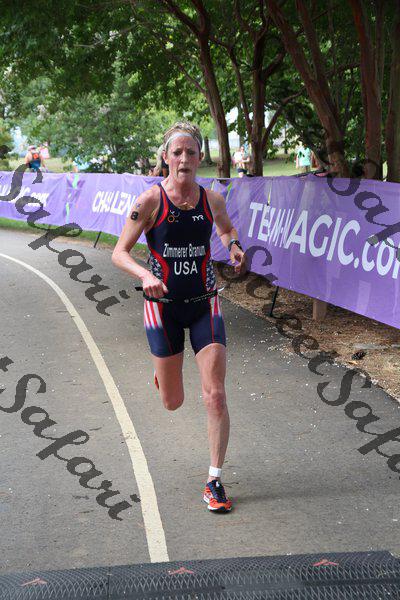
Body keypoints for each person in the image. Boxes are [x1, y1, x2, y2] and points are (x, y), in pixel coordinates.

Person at [112, 121, 246, 513]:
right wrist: (145, 276)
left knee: (215, 394)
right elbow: (119, 252)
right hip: (163, 309)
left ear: (200, 157)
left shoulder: (212, 200)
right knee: (173, 402)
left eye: (191, 152)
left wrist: (234, 247)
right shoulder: (150, 201)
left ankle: (214, 480)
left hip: (205, 303)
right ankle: (164, 374)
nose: (184, 159)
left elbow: (226, 229)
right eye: (177, 152)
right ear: (166, 158)